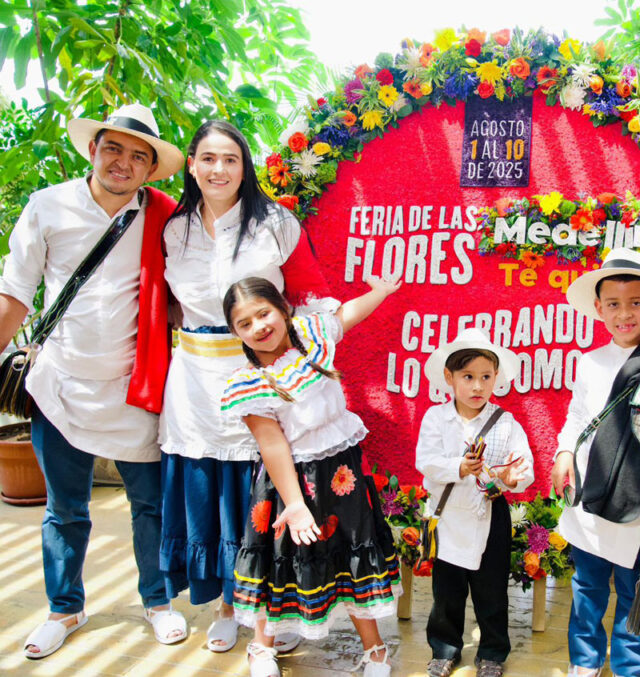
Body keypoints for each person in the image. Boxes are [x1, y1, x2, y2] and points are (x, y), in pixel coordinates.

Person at [0, 103, 187, 658]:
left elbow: (187, 292)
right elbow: (14, 293)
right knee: (65, 509)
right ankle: (65, 608)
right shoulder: (47, 206)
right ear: (92, 149)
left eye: (138, 156)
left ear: (151, 170)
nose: (123, 163)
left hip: (137, 390)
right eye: (114, 148)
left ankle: (157, 601)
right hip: (60, 387)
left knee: (150, 505)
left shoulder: (165, 217)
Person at [158, 120, 329, 654]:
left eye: (231, 159)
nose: (219, 169)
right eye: (208, 158)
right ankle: (224, 604)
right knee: (207, 492)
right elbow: (164, 306)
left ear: (245, 165)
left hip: (259, 375)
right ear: (191, 164)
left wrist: (310, 365)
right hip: (191, 382)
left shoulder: (275, 223)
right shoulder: (174, 227)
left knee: (259, 492)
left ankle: (263, 608)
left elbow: (314, 298)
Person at [220, 275, 402, 677]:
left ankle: (375, 651)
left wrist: (380, 292)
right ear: (235, 332)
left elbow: (344, 316)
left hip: (341, 472)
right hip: (288, 482)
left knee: (352, 550)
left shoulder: (311, 333)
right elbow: (273, 446)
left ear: (283, 309)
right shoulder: (247, 383)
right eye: (244, 323)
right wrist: (297, 506)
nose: (258, 327)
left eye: (263, 313)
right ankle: (261, 647)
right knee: (280, 558)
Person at [550, 248, 640, 677]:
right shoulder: (589, 362)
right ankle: (585, 662)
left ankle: (630, 667)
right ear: (598, 308)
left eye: (636, 303)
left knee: (635, 594)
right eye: (613, 304)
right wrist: (564, 451)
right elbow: (579, 417)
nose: (624, 314)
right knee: (586, 587)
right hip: (590, 495)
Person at [416, 328, 535, 677]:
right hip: (448, 515)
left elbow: (522, 464)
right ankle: (444, 648)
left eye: (486, 377)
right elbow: (426, 460)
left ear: (496, 377)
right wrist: (458, 467)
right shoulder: (436, 418)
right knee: (446, 594)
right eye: (468, 377)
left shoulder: (506, 422)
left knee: (492, 592)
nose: (478, 386)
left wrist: (515, 478)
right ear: (449, 378)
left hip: (490, 517)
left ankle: (493, 653)